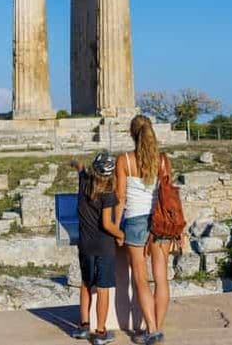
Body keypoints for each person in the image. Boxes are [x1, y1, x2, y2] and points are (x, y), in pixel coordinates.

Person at [114, 115, 173, 345]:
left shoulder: (125, 160)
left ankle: (151, 329)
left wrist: (115, 229)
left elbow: (120, 198)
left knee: (140, 278)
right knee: (161, 278)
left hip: (135, 220)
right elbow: (167, 194)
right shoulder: (164, 160)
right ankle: (157, 327)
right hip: (160, 221)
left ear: (132, 133)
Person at [69, 152, 125, 345]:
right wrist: (120, 234)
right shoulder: (108, 194)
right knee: (102, 289)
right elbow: (107, 224)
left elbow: (79, 165)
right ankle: (100, 332)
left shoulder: (84, 182)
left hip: (85, 244)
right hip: (103, 246)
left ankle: (84, 326)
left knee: (85, 283)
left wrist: (74, 162)